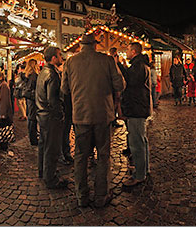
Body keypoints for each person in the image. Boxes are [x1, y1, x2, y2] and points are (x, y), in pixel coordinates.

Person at [60, 34, 125, 208]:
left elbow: (64, 89)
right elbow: (120, 85)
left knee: (81, 156)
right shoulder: (107, 60)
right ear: (95, 45)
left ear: (81, 45)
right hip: (103, 115)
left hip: (80, 116)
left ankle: (82, 196)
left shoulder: (70, 62)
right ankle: (101, 196)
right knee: (103, 156)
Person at [36, 47, 69, 189]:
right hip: (50, 117)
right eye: (59, 55)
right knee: (51, 148)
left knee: (44, 145)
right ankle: (50, 178)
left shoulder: (43, 72)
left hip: (42, 115)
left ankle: (43, 172)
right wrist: (59, 115)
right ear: (54, 58)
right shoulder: (52, 74)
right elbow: (53, 99)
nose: (61, 57)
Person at [120, 42, 152, 187]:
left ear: (133, 52)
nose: (126, 52)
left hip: (136, 108)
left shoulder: (138, 66)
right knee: (141, 140)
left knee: (137, 142)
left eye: (127, 50)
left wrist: (120, 67)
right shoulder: (141, 65)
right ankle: (144, 168)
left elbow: (131, 82)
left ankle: (139, 175)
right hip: (139, 107)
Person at [0, 70, 14, 151]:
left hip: (3, 112)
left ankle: (3, 145)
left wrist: (3, 114)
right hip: (0, 111)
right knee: (1, 128)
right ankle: (1, 143)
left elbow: (3, 101)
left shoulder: (3, 86)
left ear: (1, 77)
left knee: (4, 127)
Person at [21, 59, 39, 146]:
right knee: (32, 118)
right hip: (32, 99)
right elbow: (32, 88)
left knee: (30, 118)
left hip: (29, 99)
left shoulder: (27, 75)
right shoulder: (34, 76)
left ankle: (32, 136)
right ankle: (33, 139)